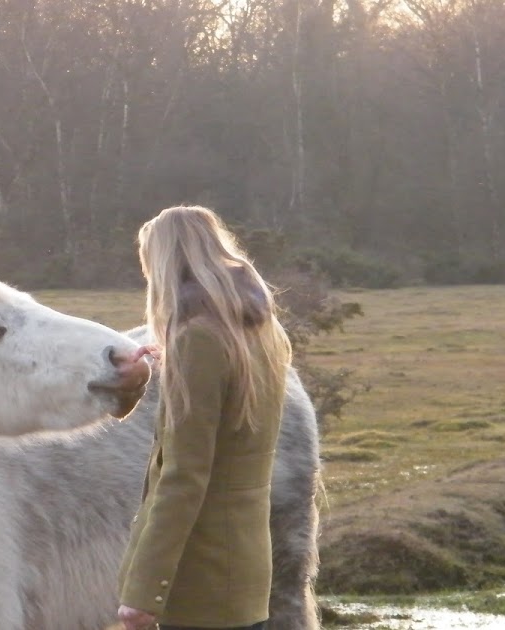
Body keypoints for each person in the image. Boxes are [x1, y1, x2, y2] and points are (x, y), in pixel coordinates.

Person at [116, 206, 293, 630]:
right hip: (243, 570)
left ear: (162, 265)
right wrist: (164, 363)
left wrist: (144, 592)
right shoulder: (262, 329)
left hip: (201, 579)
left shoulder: (197, 340)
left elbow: (184, 475)